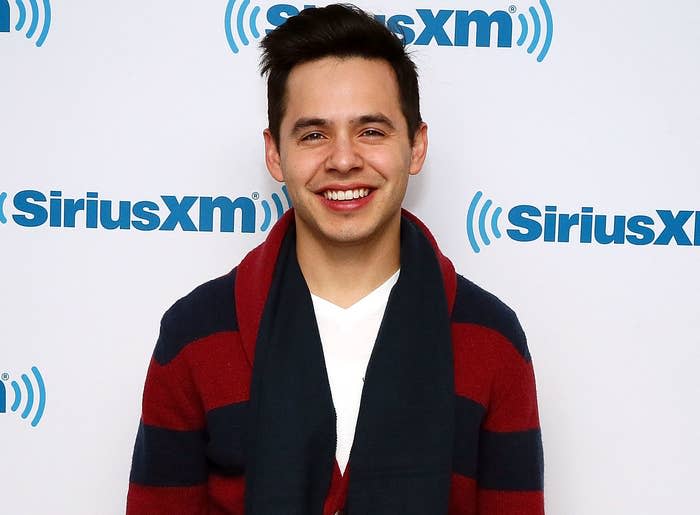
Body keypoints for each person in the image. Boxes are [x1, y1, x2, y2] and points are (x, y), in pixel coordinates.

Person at [126, 4, 544, 514]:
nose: (343, 160)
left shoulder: (490, 338)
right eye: (313, 134)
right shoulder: (195, 334)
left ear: (416, 146)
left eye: (371, 131)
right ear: (275, 154)